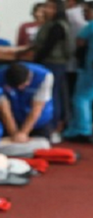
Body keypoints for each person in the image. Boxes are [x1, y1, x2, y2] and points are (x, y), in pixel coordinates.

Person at [22, 0, 72, 142]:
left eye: (50, 7)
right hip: (49, 62)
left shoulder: (58, 26)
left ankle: (53, 127)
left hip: (53, 63)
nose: (46, 9)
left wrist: (36, 59)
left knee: (52, 96)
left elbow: (47, 47)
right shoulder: (48, 24)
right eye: (46, 6)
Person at [0, 62, 55, 141]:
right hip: (12, 117)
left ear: (29, 77)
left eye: (24, 85)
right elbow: (4, 109)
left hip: (38, 120)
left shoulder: (45, 76)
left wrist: (23, 133)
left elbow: (37, 108)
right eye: (17, 87)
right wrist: (14, 133)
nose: (20, 89)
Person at [63, 1, 93, 142]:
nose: (84, 14)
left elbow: (79, 41)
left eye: (86, 11)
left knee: (81, 98)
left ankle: (82, 129)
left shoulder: (90, 26)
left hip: (89, 68)